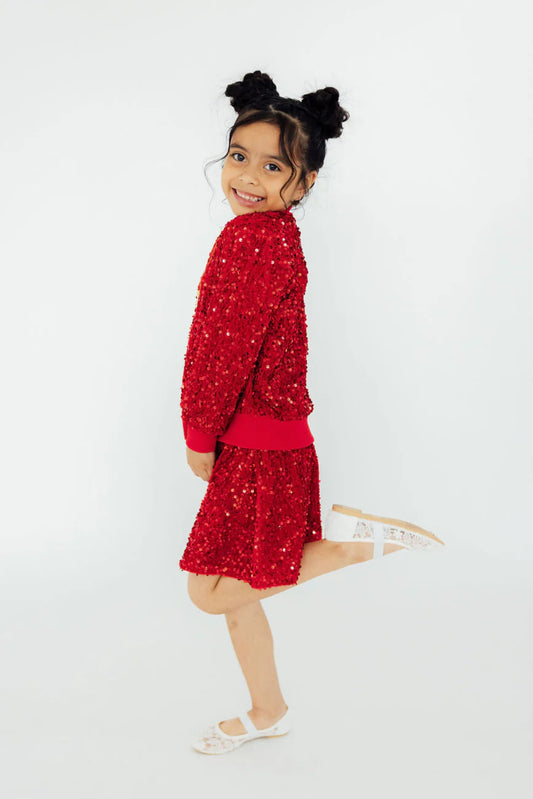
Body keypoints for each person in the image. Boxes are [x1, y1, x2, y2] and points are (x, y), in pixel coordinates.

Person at [178, 70, 445, 755]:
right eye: (238, 156)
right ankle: (267, 709)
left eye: (273, 167)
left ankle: (356, 545)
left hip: (256, 443)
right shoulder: (277, 235)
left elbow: (223, 348)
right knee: (235, 592)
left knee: (210, 592)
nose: (247, 176)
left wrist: (199, 432)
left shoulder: (249, 240)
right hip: (275, 439)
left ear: (304, 184)